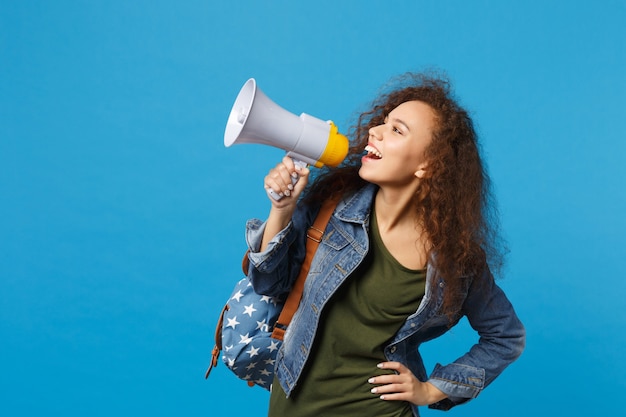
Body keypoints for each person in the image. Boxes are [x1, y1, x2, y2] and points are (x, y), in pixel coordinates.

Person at [244, 72, 525, 416]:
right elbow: (268, 284)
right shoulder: (331, 207)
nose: (374, 130)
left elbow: (505, 337)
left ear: (427, 165)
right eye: (383, 122)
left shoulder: (455, 258)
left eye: (397, 130)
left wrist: (431, 390)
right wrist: (281, 211)